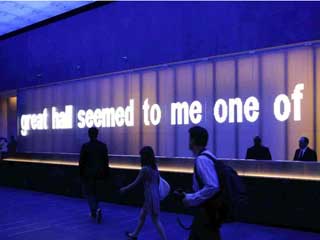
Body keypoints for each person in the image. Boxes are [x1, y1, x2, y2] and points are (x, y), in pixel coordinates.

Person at [181, 126, 221, 240]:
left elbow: (212, 186)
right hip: (209, 212)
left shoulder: (202, 159)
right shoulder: (209, 156)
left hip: (206, 213)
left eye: (189, 138)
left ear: (193, 140)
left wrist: (191, 198)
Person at [120, 146, 167, 240]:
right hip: (154, 195)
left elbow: (135, 183)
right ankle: (135, 234)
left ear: (144, 157)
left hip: (150, 197)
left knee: (155, 220)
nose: (140, 157)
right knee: (142, 215)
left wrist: (125, 189)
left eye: (141, 155)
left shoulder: (145, 169)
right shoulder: (154, 167)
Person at [79, 127, 109, 223]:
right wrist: (106, 173)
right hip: (100, 174)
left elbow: (81, 162)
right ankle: (95, 210)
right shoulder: (103, 146)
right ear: (97, 134)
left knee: (89, 193)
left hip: (88, 175)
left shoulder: (85, 146)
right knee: (97, 193)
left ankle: (95, 210)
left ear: (89, 134)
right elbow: (106, 162)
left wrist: (81, 174)